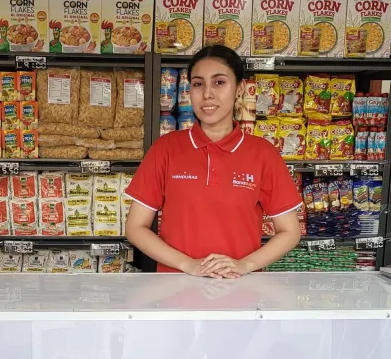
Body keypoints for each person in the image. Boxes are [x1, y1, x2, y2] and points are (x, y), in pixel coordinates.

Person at [124, 45, 302, 278]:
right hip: (176, 287)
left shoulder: (263, 154)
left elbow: (290, 231)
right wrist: (188, 265)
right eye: (198, 84)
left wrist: (245, 265)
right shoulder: (166, 149)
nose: (207, 94)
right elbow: (135, 227)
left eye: (219, 82)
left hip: (240, 288)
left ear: (239, 88)